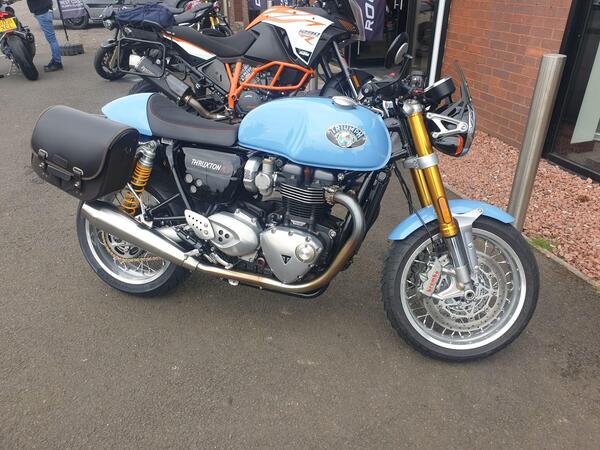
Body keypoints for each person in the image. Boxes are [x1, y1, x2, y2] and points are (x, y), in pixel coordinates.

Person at [26, 0, 63, 72]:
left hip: (43, 12)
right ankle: (55, 59)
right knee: (51, 39)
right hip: (45, 11)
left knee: (52, 40)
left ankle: (57, 62)